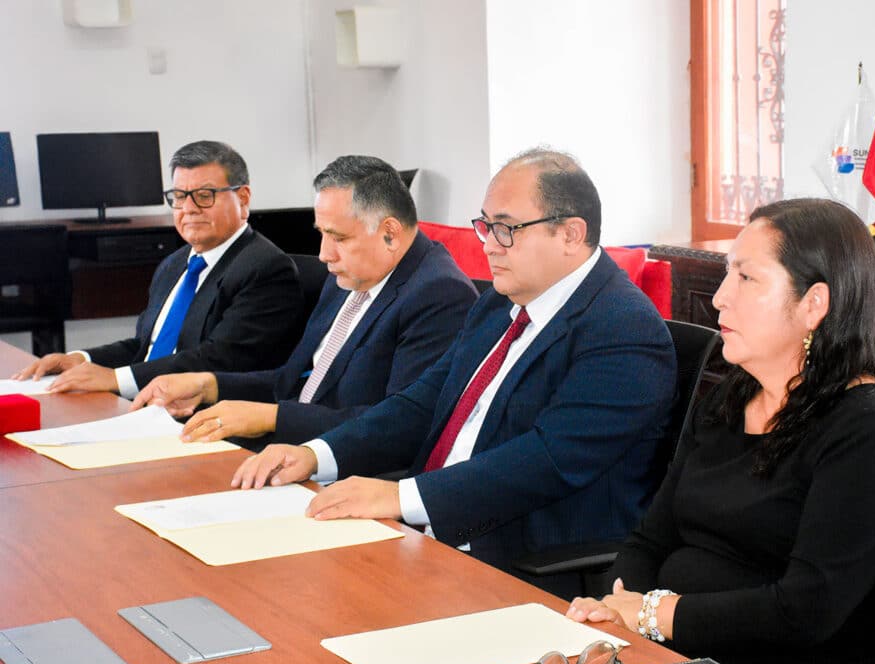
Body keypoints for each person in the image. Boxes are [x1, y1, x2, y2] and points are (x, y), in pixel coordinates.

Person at [230, 148, 677, 596]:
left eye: (506, 229)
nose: (488, 245)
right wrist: (317, 453)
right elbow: (423, 402)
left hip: (522, 564)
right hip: (431, 534)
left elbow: (549, 460)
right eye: (485, 226)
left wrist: (400, 497)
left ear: (570, 234)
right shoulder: (500, 303)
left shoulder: (623, 328)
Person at [565, 198, 875, 664]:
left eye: (746, 278)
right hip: (674, 659)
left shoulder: (872, 429)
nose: (719, 297)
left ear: (813, 304)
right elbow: (651, 539)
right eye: (726, 274)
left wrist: (653, 615)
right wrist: (616, 608)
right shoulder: (729, 401)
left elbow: (807, 609)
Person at [131, 155, 478, 448]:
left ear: (389, 232)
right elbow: (293, 381)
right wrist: (208, 384)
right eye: (322, 234)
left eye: (338, 237)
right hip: (290, 449)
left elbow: (398, 426)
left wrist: (270, 417)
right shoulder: (347, 275)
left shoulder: (439, 296)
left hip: (347, 474)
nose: (324, 255)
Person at [13, 140, 303, 397]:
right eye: (178, 196)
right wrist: (83, 359)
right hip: (148, 402)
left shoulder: (266, 269)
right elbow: (145, 347)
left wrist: (115, 379)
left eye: (204, 195)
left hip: (201, 415)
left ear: (242, 198)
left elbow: (219, 359)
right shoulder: (175, 263)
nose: (188, 209)